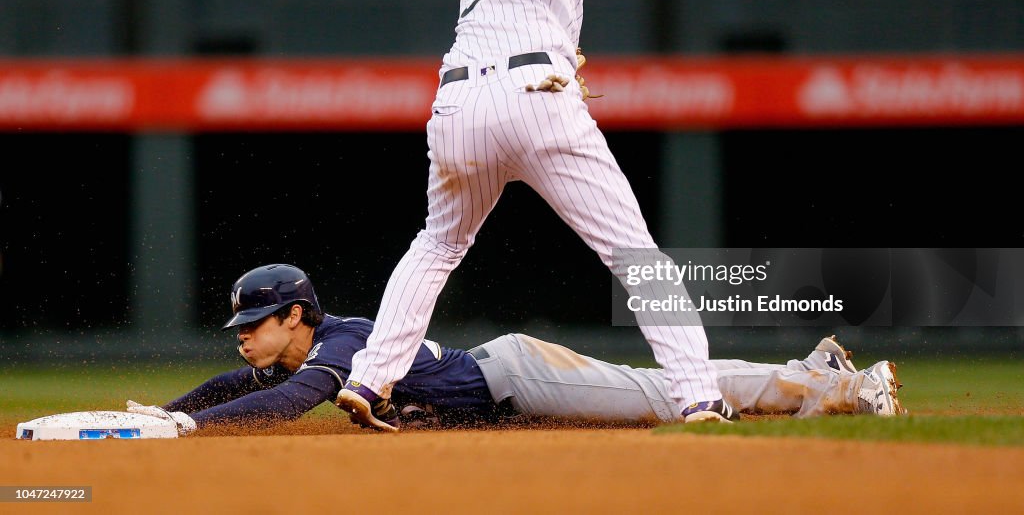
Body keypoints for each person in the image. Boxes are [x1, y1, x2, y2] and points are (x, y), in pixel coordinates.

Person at [336, 0, 731, 431]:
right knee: (634, 254)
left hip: (457, 105)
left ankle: (369, 379)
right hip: (532, 94)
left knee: (438, 244)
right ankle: (698, 397)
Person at [124, 264, 907, 436]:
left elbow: (290, 402)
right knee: (651, 390)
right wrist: (170, 411)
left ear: (295, 316)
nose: (246, 337)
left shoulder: (342, 342)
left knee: (662, 395)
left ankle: (833, 383)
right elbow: (238, 383)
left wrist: (190, 430)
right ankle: (811, 376)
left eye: (255, 324)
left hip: (517, 378)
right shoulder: (307, 349)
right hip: (503, 390)